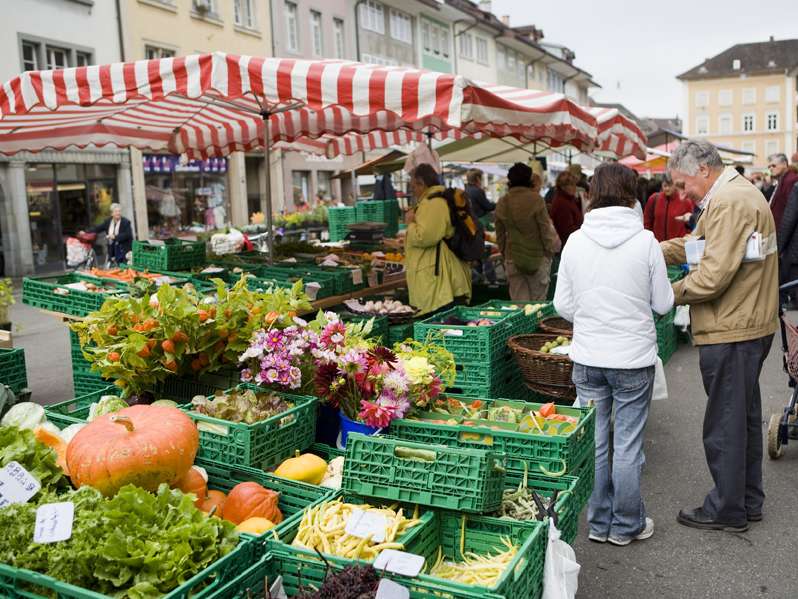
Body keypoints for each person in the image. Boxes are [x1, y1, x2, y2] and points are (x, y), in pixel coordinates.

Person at [554, 162, 673, 546]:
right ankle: (625, 526)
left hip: (588, 356)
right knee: (627, 445)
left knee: (596, 443)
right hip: (633, 360)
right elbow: (663, 304)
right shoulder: (646, 242)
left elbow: (562, 305)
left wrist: (591, 317)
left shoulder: (575, 240)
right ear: (631, 194)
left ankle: (599, 522)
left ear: (592, 192)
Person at [661, 140, 778, 532]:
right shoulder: (735, 194)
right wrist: (653, 249)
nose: (682, 193)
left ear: (702, 171)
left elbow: (711, 276)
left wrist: (663, 295)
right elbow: (699, 245)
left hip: (732, 326)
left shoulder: (728, 200)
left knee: (725, 422)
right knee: (741, 418)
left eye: (682, 184)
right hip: (746, 324)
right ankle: (747, 501)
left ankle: (727, 509)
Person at [403, 164, 471, 315]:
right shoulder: (434, 200)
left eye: (413, 186)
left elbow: (425, 237)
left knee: (442, 327)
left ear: (422, 183)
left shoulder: (433, 203)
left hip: (439, 282)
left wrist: (410, 224)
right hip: (437, 277)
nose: (412, 191)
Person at [495, 164, 561, 301]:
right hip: (537, 258)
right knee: (537, 306)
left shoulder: (503, 202)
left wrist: (504, 253)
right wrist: (549, 252)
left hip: (512, 257)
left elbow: (500, 234)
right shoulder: (536, 200)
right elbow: (545, 230)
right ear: (528, 179)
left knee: (519, 306)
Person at [643, 174, 694, 241]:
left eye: (670, 185)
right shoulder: (654, 199)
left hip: (677, 246)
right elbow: (647, 222)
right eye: (665, 185)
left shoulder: (685, 201)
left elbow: (690, 226)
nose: (667, 188)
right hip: (658, 245)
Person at [549, 171, 583, 246]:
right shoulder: (562, 203)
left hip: (571, 241)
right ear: (563, 187)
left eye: (574, 184)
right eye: (571, 185)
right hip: (568, 244)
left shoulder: (568, 198)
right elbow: (567, 230)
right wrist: (583, 231)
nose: (575, 187)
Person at [767, 153, 798, 229]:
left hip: (785, 232)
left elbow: (791, 213)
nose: (770, 168)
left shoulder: (791, 180)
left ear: (784, 164)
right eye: (769, 166)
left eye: (774, 166)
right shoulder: (783, 179)